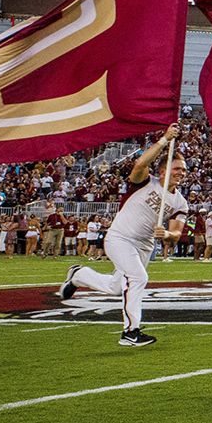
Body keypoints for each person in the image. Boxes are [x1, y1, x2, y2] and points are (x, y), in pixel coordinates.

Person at [57, 124, 187, 347]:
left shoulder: (180, 202)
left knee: (118, 287)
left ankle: (79, 275)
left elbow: (176, 233)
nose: (181, 173)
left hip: (144, 246)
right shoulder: (146, 182)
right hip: (120, 238)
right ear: (164, 171)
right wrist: (165, 139)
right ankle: (131, 331)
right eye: (177, 169)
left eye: (183, 170)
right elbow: (140, 164)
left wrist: (166, 232)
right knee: (138, 279)